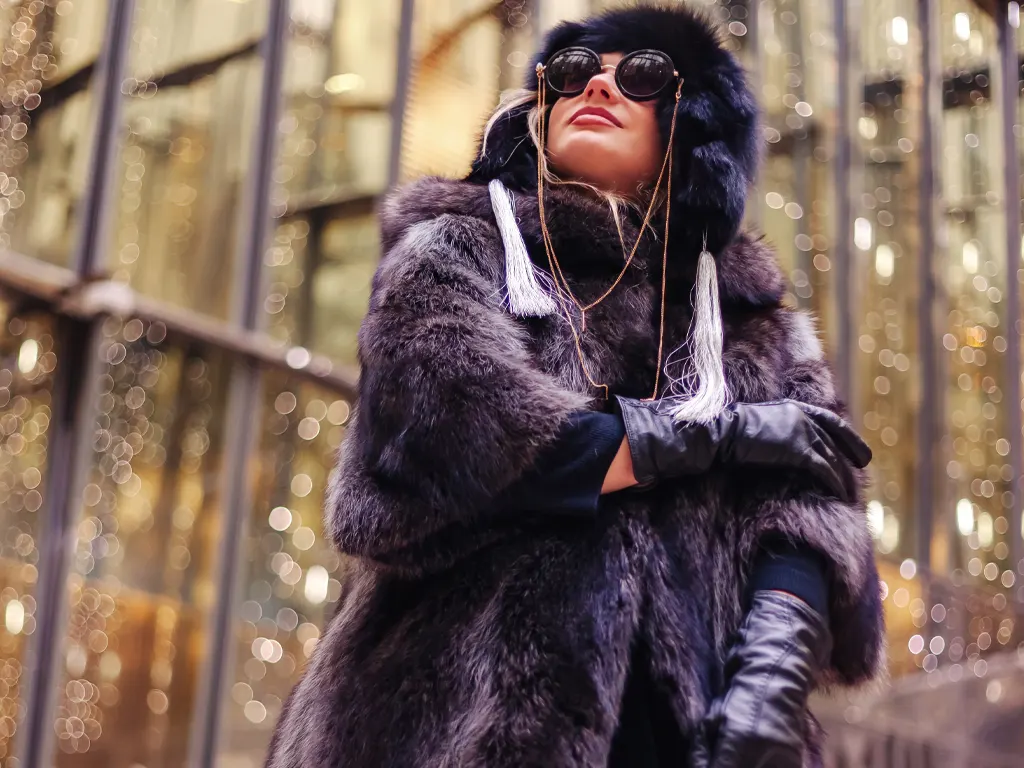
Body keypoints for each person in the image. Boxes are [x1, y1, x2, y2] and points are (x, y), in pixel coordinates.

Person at [267, 6, 885, 768]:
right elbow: (455, 443)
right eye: (570, 72)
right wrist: (713, 437)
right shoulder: (461, 247)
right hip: (446, 724)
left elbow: (814, 515)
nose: (596, 82)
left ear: (692, 126)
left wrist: (772, 684)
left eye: (641, 74)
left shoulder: (747, 314)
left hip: (693, 734)